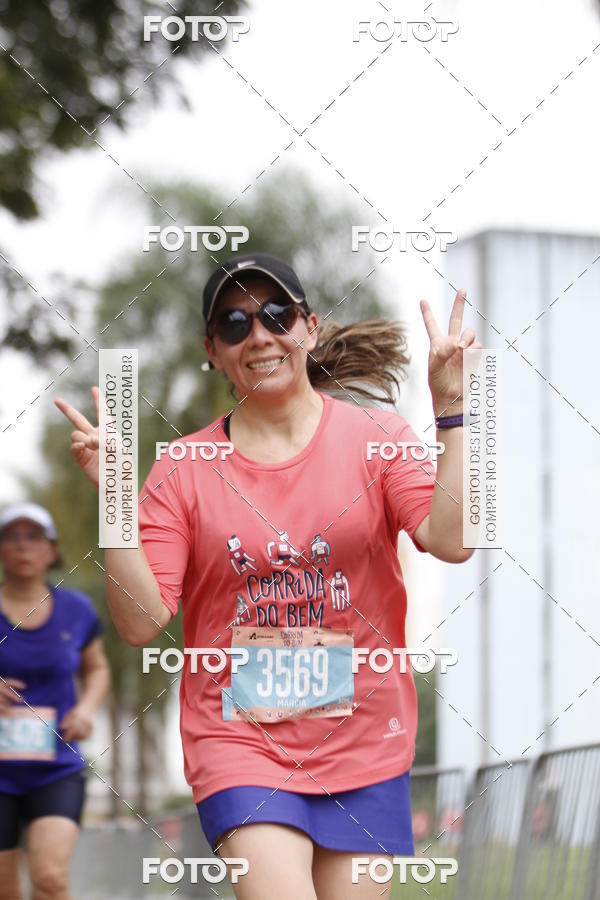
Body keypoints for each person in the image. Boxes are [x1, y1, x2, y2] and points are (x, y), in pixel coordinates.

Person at [55, 252, 480, 899]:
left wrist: (450, 412)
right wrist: (117, 496)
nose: (258, 334)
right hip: (239, 741)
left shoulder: (379, 439)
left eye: (276, 314)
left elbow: (451, 541)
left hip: (363, 739)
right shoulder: (185, 466)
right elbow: (141, 621)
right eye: (234, 323)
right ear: (213, 350)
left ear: (307, 328)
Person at [0, 502, 110, 900]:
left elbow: (96, 669)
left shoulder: (76, 610)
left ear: (51, 549)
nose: (23, 547)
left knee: (48, 878)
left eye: (34, 538)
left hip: (56, 766)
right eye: (12, 537)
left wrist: (85, 708)